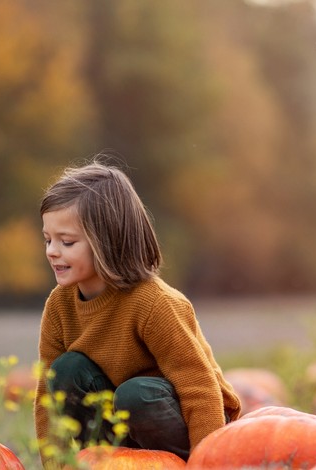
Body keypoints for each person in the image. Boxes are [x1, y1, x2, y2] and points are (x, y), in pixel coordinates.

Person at [33, 160, 241, 465]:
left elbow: (200, 389)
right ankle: (109, 461)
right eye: (48, 239)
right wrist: (55, 464)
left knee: (137, 395)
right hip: (124, 427)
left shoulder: (155, 303)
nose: (52, 251)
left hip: (190, 424)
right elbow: (48, 399)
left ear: (106, 241)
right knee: (65, 372)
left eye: (67, 242)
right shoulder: (59, 305)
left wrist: (208, 462)